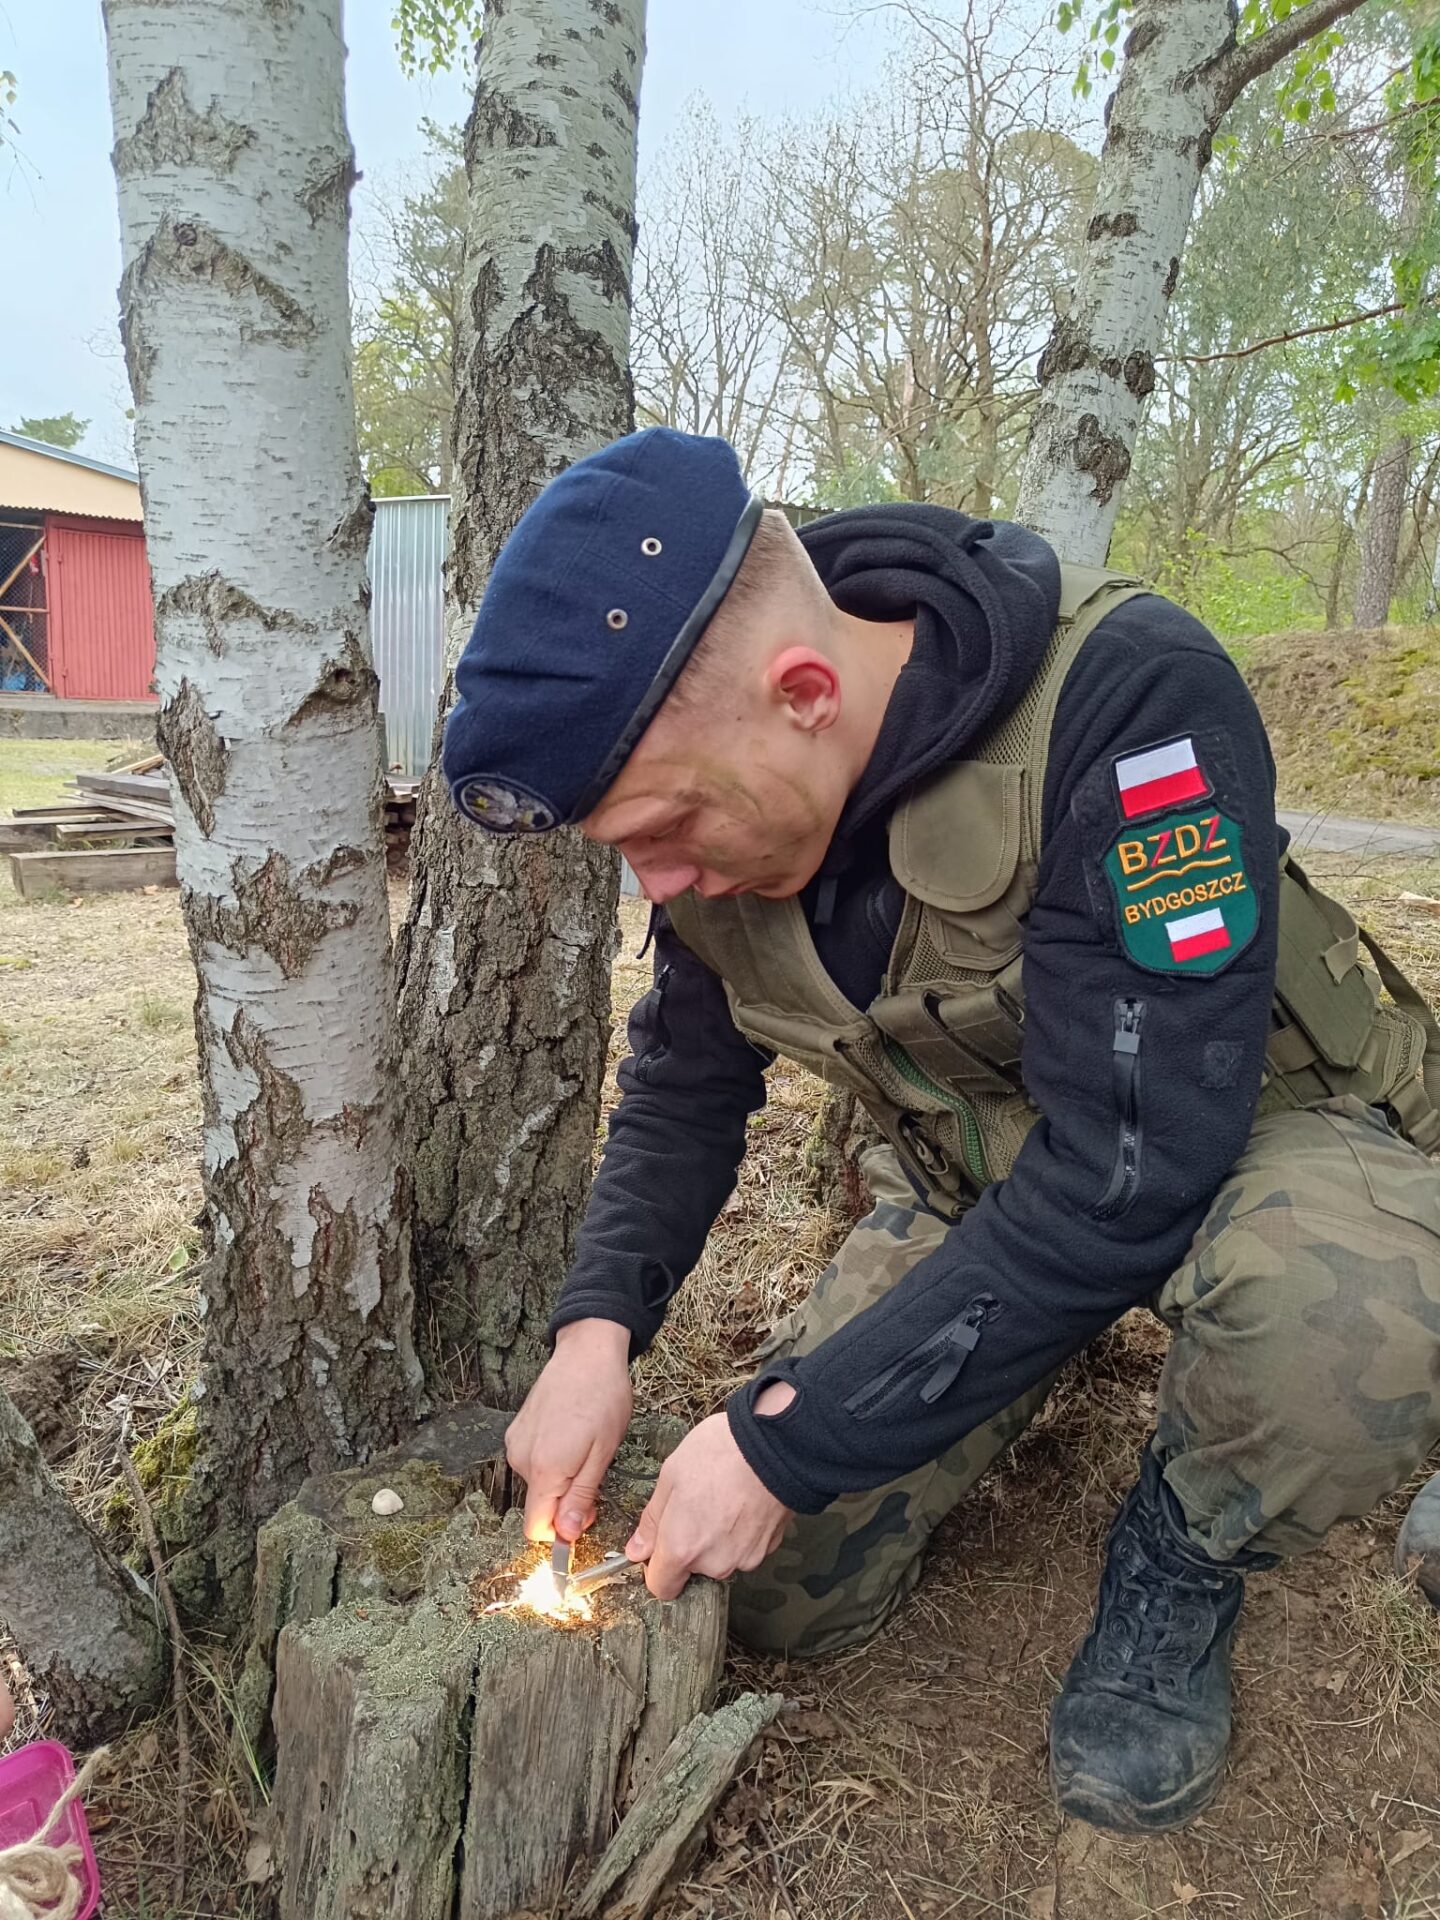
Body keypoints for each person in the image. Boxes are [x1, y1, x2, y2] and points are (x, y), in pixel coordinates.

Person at [442, 427, 1440, 1834]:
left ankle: (1188, 1547)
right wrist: (594, 1334)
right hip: (990, 1175)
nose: (656, 882)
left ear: (804, 693)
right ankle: (1029, 1349)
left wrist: (790, 1441)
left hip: (1250, 1140)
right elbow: (685, 1081)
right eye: (627, 851)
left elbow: (1131, 1173)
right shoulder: (719, 803)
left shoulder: (1132, 699)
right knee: (775, 1591)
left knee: (1342, 1321)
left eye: (665, 828)